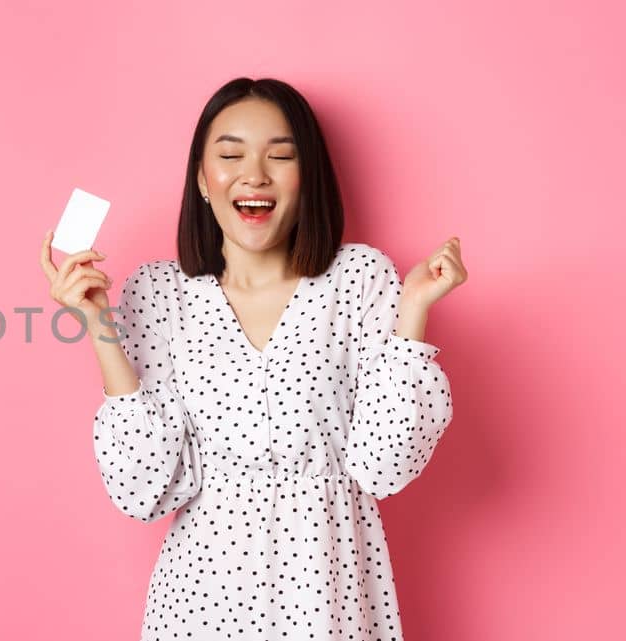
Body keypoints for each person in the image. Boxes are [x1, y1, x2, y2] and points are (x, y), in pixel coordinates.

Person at [38, 77, 467, 640]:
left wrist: (413, 312)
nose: (255, 173)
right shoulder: (161, 294)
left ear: (306, 176)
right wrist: (98, 325)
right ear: (202, 179)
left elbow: (382, 468)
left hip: (328, 594)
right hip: (201, 602)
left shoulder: (360, 280)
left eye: (281, 155)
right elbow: (143, 489)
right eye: (231, 154)